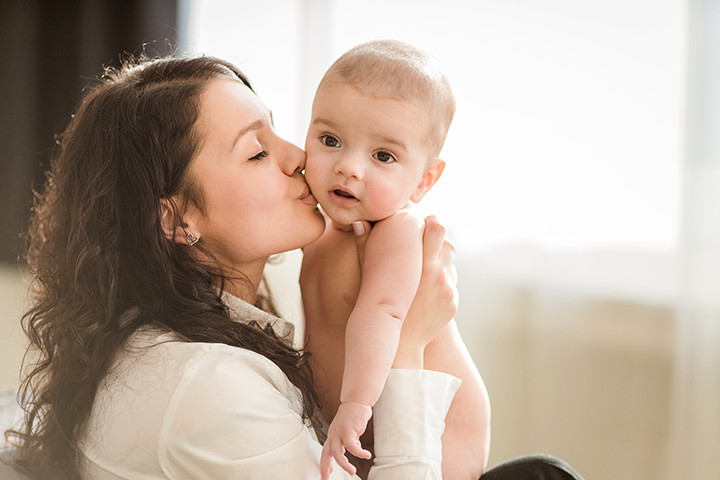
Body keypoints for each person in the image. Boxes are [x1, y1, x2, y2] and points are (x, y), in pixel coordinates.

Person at [3, 53, 584, 480]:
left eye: (281, 131)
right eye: (257, 151)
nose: (300, 158)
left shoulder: (171, 329)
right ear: (178, 220)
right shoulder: (212, 385)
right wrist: (409, 339)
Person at [300, 40, 489, 480]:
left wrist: (355, 404)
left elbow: (382, 314)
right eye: (330, 140)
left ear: (423, 180)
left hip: (442, 433)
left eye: (382, 156)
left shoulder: (398, 232)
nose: (349, 167)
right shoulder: (318, 228)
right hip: (363, 427)